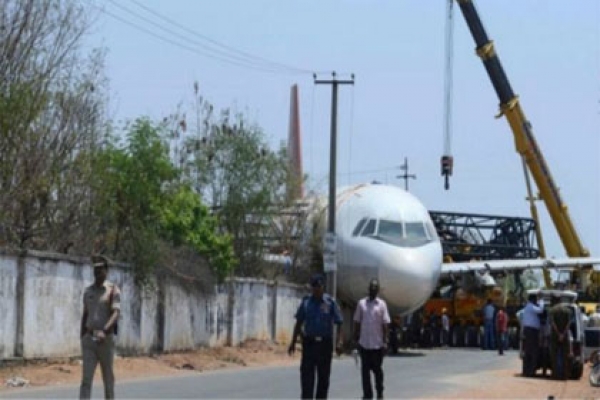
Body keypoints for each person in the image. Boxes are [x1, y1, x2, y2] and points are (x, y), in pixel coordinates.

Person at [288, 274, 343, 399]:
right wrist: (293, 342)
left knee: (323, 379)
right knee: (307, 378)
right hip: (309, 344)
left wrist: (339, 342)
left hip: (325, 345)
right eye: (314, 287)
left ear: (323, 287)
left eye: (319, 287)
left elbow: (339, 321)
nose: (317, 290)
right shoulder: (306, 302)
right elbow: (299, 322)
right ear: (311, 288)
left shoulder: (330, 302)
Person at [80, 255, 121, 399]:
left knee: (108, 378)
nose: (97, 273)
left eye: (100, 269)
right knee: (86, 379)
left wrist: (105, 331)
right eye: (95, 269)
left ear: (106, 271)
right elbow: (85, 314)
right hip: (89, 340)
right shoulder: (88, 291)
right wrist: (83, 335)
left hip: (105, 340)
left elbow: (116, 313)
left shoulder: (112, 290)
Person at [353, 279, 391, 400]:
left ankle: (379, 392)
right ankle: (367, 395)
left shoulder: (382, 304)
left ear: (378, 290)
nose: (373, 290)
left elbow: (385, 324)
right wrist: (356, 340)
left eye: (375, 288)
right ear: (368, 289)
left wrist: (385, 342)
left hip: (377, 345)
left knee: (377, 371)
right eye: (371, 287)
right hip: (364, 344)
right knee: (365, 373)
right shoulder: (361, 304)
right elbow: (357, 322)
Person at [521, 293, 545, 377]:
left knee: (528, 351)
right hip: (532, 332)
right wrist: (542, 301)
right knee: (533, 351)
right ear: (533, 300)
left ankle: (527, 371)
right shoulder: (531, 307)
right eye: (536, 300)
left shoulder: (527, 307)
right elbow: (541, 310)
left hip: (528, 331)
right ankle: (531, 371)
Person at [549, 295, 572, 380]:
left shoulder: (552, 310)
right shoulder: (567, 311)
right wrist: (563, 334)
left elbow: (553, 323)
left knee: (554, 355)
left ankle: (555, 375)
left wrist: (558, 334)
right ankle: (565, 376)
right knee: (565, 356)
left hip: (555, 336)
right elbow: (568, 323)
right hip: (565, 336)